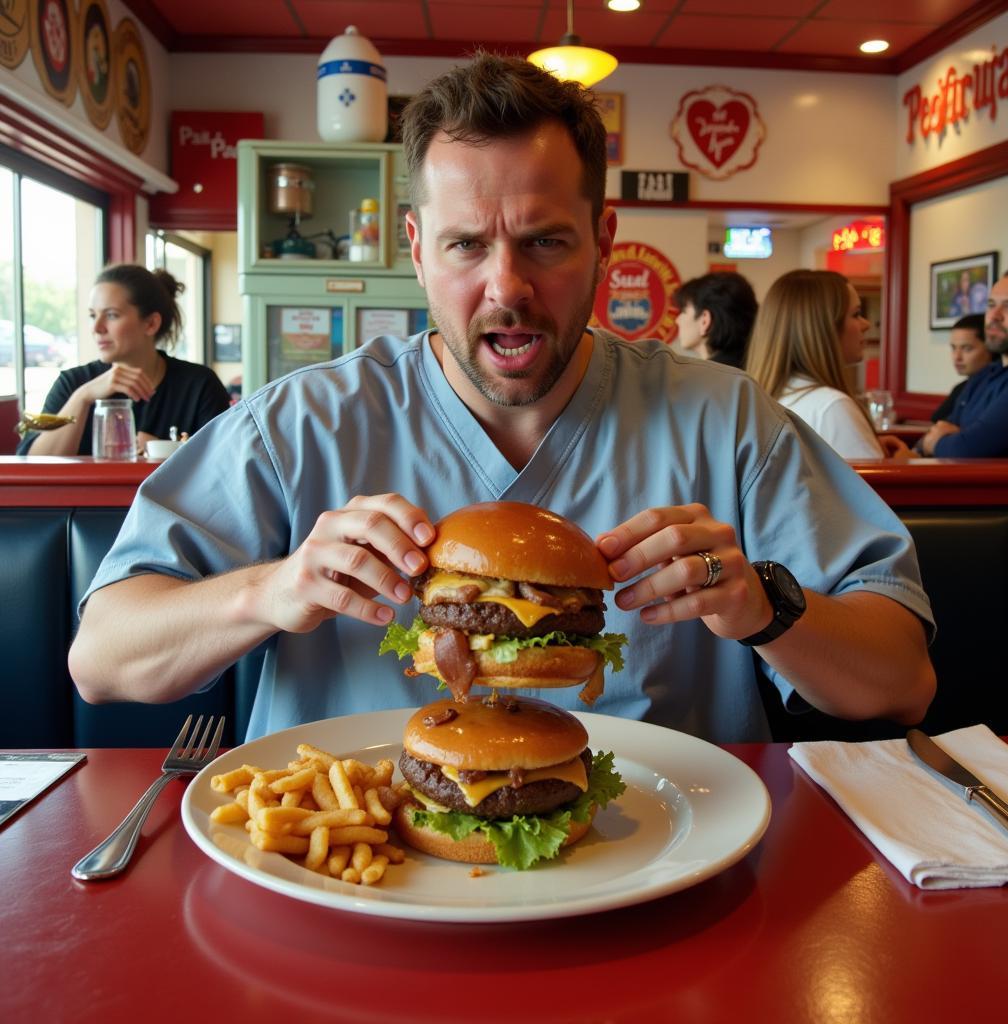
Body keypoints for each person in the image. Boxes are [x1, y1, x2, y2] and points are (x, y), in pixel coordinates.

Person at [68, 54, 935, 745]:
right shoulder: (297, 428)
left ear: (603, 241)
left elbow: (902, 684)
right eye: (465, 244)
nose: (505, 287)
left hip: (670, 886)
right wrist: (270, 589)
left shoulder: (730, 423)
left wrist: (765, 608)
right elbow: (101, 661)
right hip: (359, 893)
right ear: (414, 248)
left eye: (545, 241)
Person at [17, 264, 231, 456]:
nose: (97, 328)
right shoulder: (74, 383)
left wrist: (168, 453)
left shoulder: (199, 385)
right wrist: (83, 397)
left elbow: (226, 466)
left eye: (111, 315)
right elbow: (33, 464)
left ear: (151, 324)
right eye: (93, 315)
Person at [745, 269, 910, 460]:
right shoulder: (832, 407)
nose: (866, 325)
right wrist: (904, 462)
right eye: (856, 314)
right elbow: (872, 489)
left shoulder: (767, 399)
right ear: (824, 327)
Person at [920, 266, 1008, 457]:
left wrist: (948, 441)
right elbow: (943, 428)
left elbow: (966, 449)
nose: (994, 316)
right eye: (991, 305)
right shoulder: (986, 373)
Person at [669, 272, 758, 368]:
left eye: (683, 311)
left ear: (705, 320)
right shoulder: (758, 368)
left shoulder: (698, 378)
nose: (677, 320)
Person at [930, 314, 993, 423]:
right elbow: (936, 421)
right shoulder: (961, 388)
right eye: (954, 348)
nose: (957, 357)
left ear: (991, 348)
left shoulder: (1000, 390)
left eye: (967, 348)